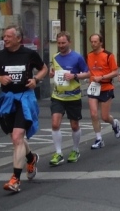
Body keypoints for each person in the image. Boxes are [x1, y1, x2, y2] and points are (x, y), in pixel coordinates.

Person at [0, 25, 47, 193]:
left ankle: (15, 180)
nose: (4, 39)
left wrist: (36, 80)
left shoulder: (29, 54)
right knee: (15, 138)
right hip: (7, 100)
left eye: (8, 36)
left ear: (18, 39)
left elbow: (44, 68)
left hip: (24, 99)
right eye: (4, 36)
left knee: (17, 136)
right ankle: (31, 158)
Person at [48, 31, 89, 166]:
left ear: (69, 42)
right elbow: (53, 72)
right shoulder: (55, 56)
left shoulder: (77, 57)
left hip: (73, 96)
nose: (61, 45)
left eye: (63, 43)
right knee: (55, 124)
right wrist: (52, 73)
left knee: (74, 125)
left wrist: (74, 76)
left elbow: (88, 73)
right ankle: (58, 153)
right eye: (59, 43)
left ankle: (75, 150)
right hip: (58, 96)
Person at [86, 33, 120, 150]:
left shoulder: (108, 55)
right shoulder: (89, 55)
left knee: (105, 117)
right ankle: (99, 139)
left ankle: (114, 123)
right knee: (93, 114)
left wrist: (102, 77)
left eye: (95, 42)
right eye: (91, 42)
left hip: (106, 87)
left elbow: (115, 72)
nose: (93, 44)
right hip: (93, 87)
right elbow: (89, 72)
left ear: (101, 43)